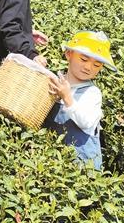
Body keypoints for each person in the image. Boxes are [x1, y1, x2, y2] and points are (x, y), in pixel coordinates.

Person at [46, 30, 116, 170]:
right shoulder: (56, 81)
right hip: (54, 163)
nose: (88, 67)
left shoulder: (92, 93)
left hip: (83, 168)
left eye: (96, 65)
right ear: (69, 54)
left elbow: (86, 121)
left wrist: (67, 97)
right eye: (83, 59)